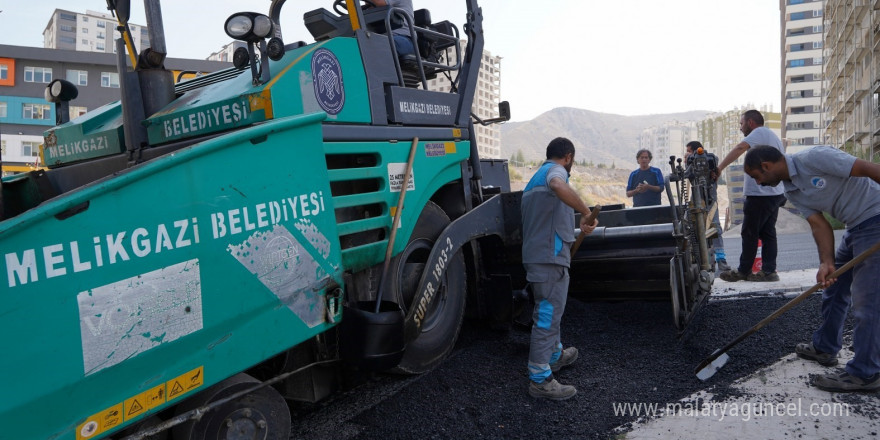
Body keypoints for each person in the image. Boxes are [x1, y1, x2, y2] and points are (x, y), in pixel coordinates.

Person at [743, 145, 880, 392]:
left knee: (868, 301)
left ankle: (866, 372)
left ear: (766, 166)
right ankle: (825, 347)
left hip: (876, 219)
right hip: (854, 228)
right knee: (833, 288)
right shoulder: (792, 191)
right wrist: (826, 262)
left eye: (757, 176)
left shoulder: (815, 158)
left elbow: (868, 168)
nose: (758, 183)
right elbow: (819, 225)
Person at [521, 137, 597, 400]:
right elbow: (558, 184)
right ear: (568, 156)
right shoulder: (555, 174)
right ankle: (540, 379)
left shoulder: (534, 180)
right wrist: (586, 211)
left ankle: (554, 356)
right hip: (548, 259)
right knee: (547, 314)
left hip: (543, 255)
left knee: (552, 310)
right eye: (571, 161)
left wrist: (579, 228)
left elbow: (549, 223)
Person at [716, 109, 786, 282]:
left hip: (761, 194)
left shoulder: (759, 132)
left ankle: (743, 271)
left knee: (749, 232)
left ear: (751, 122)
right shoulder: (771, 135)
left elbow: (740, 148)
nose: (741, 128)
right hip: (774, 192)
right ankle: (769, 271)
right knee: (768, 233)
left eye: (741, 123)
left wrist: (719, 168)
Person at [685, 141, 731, 272]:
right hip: (696, 200)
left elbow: (715, 168)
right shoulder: (690, 162)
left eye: (689, 151)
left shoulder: (711, 158)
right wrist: (688, 162)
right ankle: (703, 261)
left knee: (715, 227)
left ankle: (721, 259)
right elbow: (687, 175)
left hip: (710, 199)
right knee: (696, 229)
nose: (688, 153)